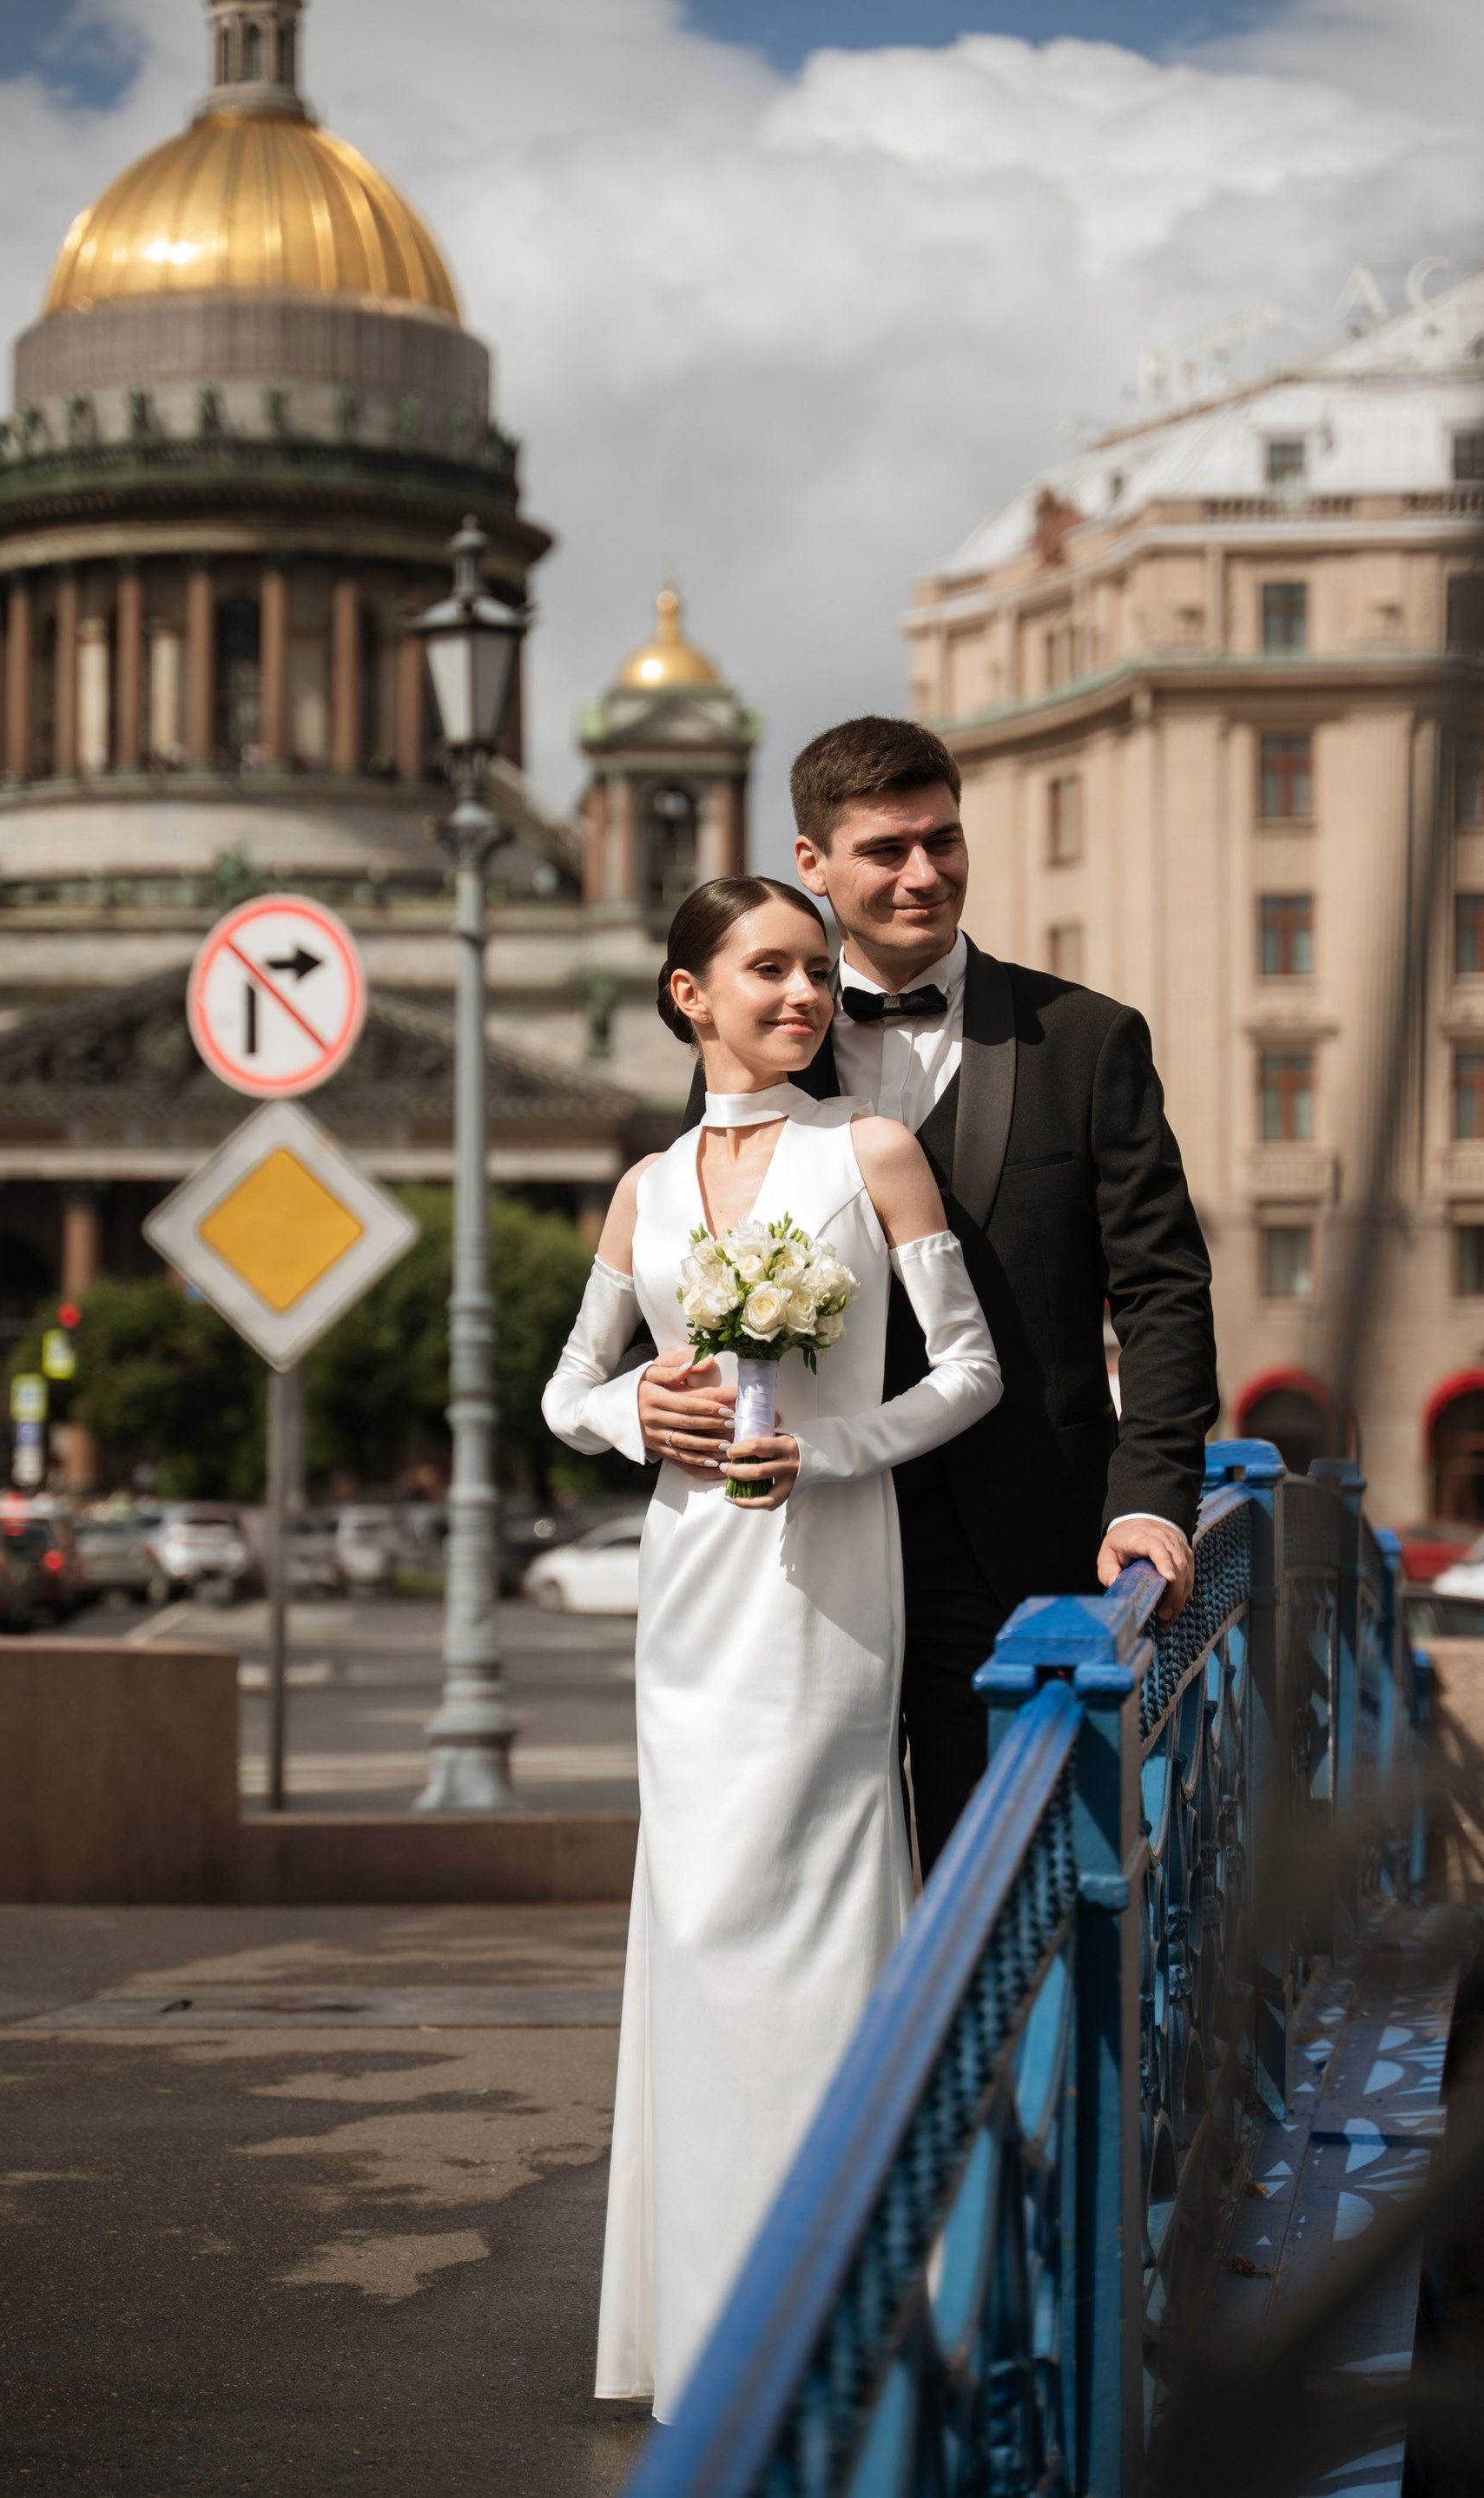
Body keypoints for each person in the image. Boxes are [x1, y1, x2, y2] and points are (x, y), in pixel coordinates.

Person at [542, 876, 1001, 2419]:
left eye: (817, 971)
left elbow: (971, 1372)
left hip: (828, 1574)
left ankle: (855, 2320)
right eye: (771, 970)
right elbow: (566, 1392)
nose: (807, 995)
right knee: (695, 1921)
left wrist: (836, 1450)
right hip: (691, 1586)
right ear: (693, 995)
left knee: (814, 1905)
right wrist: (640, 1410)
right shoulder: (644, 1187)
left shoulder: (870, 1152)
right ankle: (706, 2330)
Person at [647, 717, 1220, 1874]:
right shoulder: (747, 1047)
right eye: (886, 850)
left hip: (1020, 1545)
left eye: (943, 841)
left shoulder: (1088, 1040)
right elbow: (693, 1270)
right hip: (804, 1539)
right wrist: (651, 1393)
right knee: (809, 1868)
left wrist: (1151, 1500)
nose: (924, 873)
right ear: (812, 864)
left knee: (1005, 1881)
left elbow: (1162, 1289)